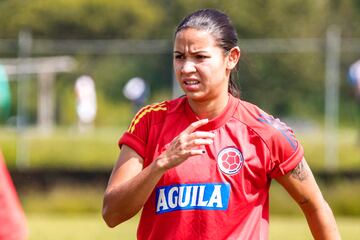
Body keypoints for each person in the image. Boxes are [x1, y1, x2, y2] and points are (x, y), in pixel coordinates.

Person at [102, 8, 340, 239]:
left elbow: (315, 206)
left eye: (200, 57)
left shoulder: (265, 132)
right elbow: (112, 214)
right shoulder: (150, 121)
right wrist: (161, 164)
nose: (186, 68)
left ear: (232, 58)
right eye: (179, 57)